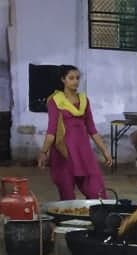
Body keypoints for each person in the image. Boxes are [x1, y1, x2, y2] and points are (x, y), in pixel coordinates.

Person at [37, 65, 113, 199]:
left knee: (97, 190)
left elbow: (92, 129)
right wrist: (44, 152)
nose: (75, 81)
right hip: (63, 150)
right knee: (67, 191)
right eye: (71, 78)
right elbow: (51, 131)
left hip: (83, 150)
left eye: (77, 78)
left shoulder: (84, 100)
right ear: (63, 80)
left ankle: (99, 215)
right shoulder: (55, 101)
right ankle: (68, 217)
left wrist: (105, 150)